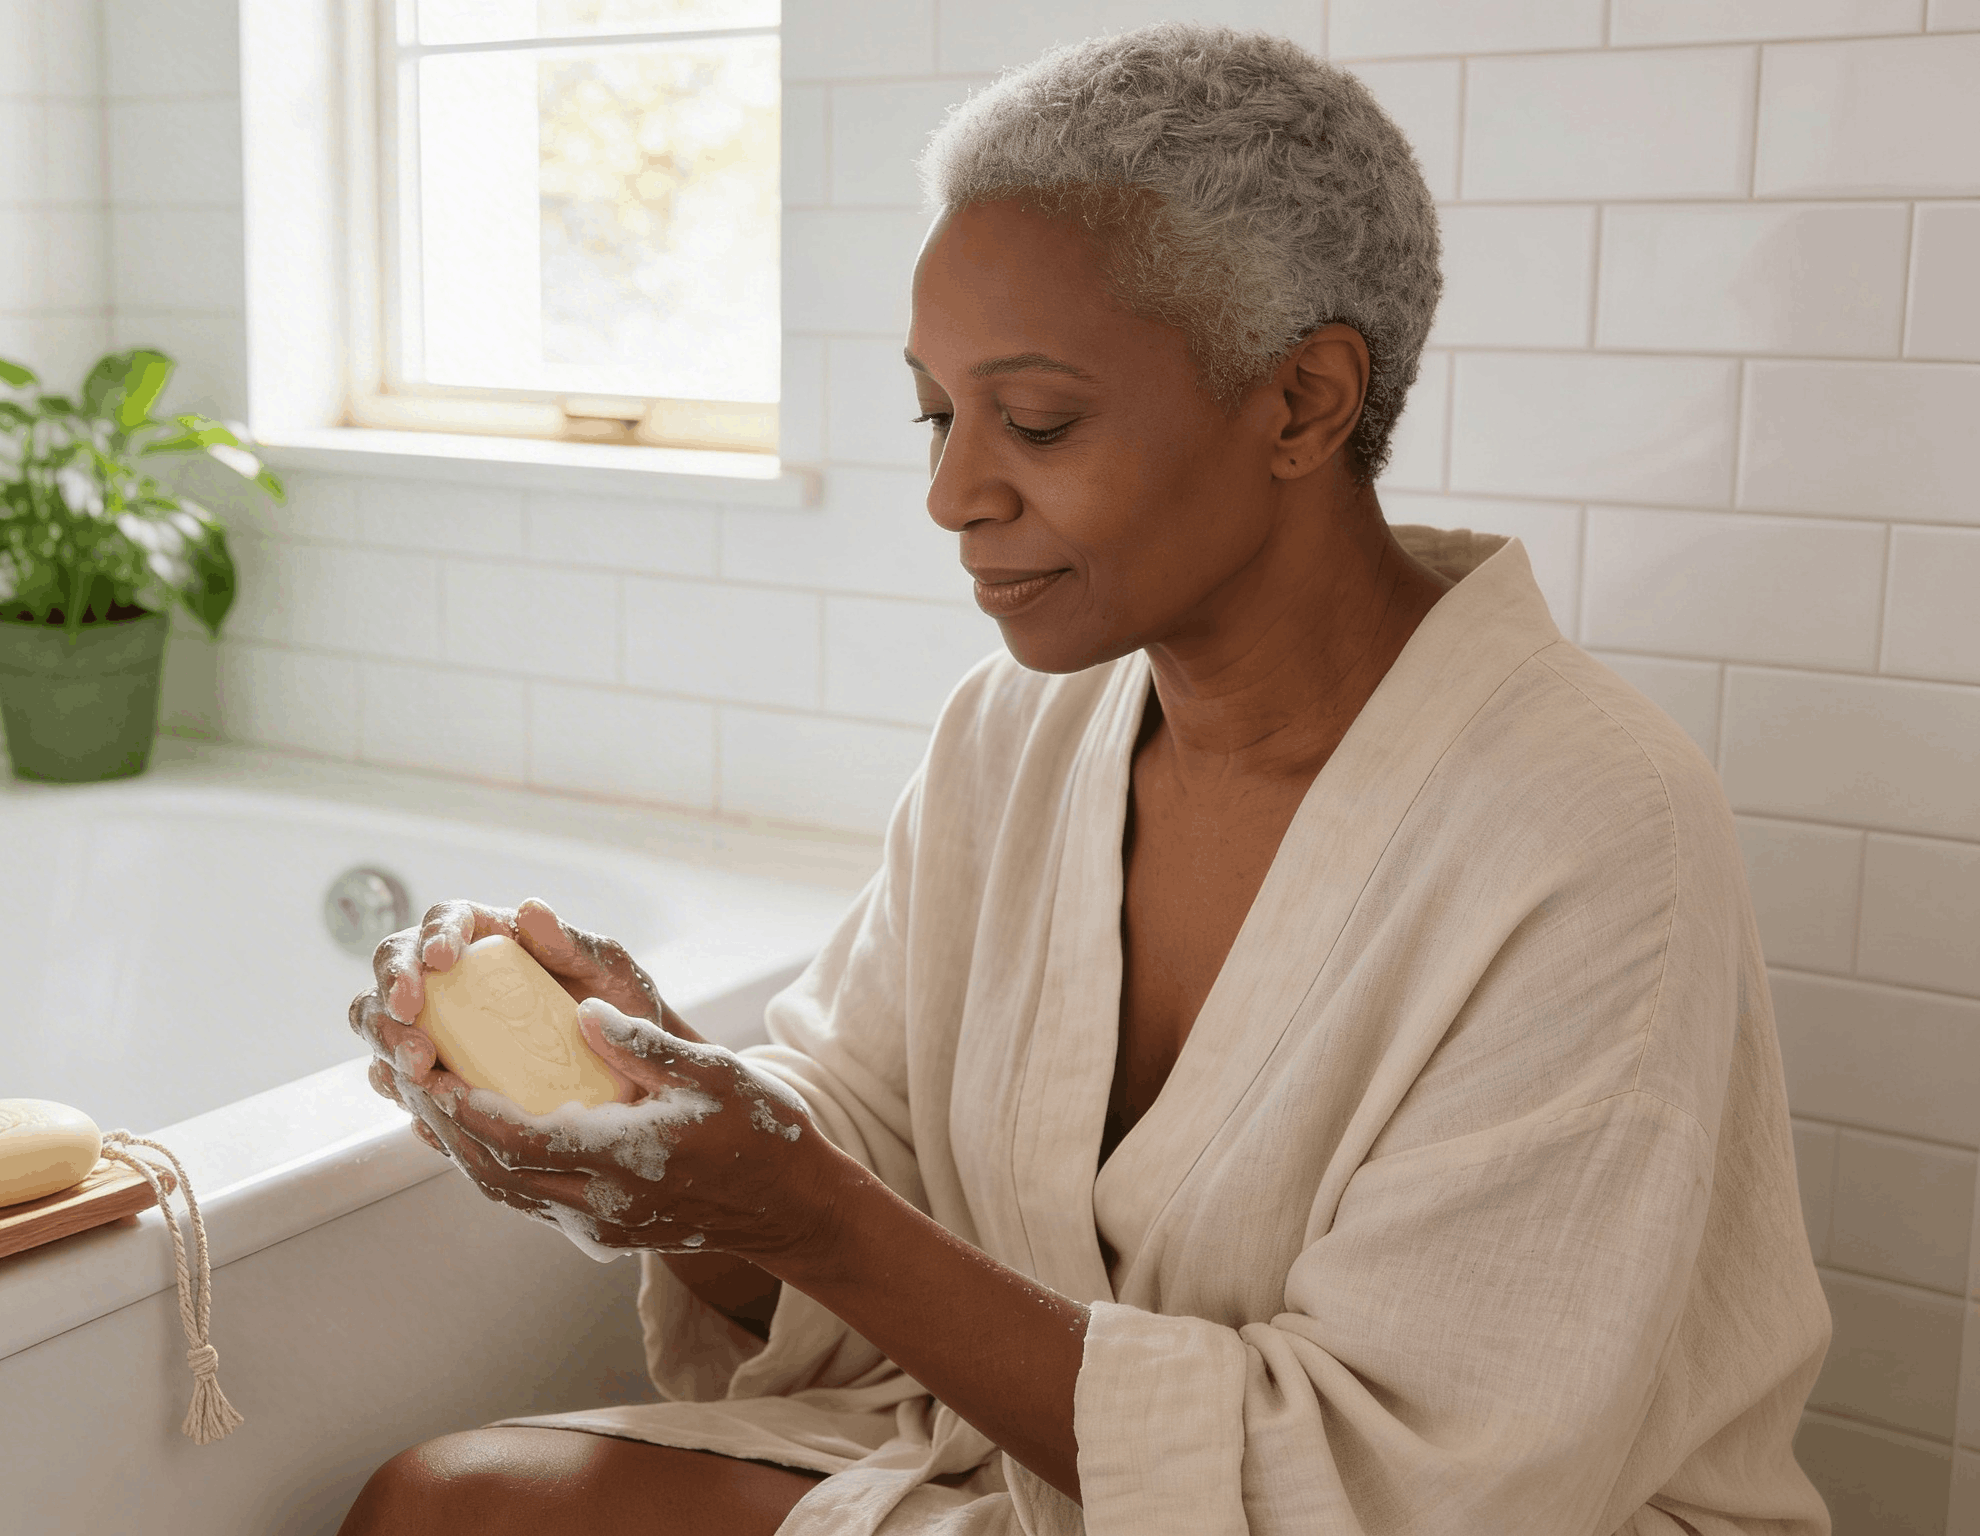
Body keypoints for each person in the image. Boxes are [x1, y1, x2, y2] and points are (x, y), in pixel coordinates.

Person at [340, 23, 1831, 1535]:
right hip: (1035, 1478)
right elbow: (859, 1160)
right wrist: (648, 1108)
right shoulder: (1018, 734)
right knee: (441, 1510)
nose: (951, 495)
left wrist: (803, 1209)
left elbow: (1399, 1488)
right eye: (936, 415)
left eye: (1037, 422)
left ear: (1304, 403)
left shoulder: (1591, 828)